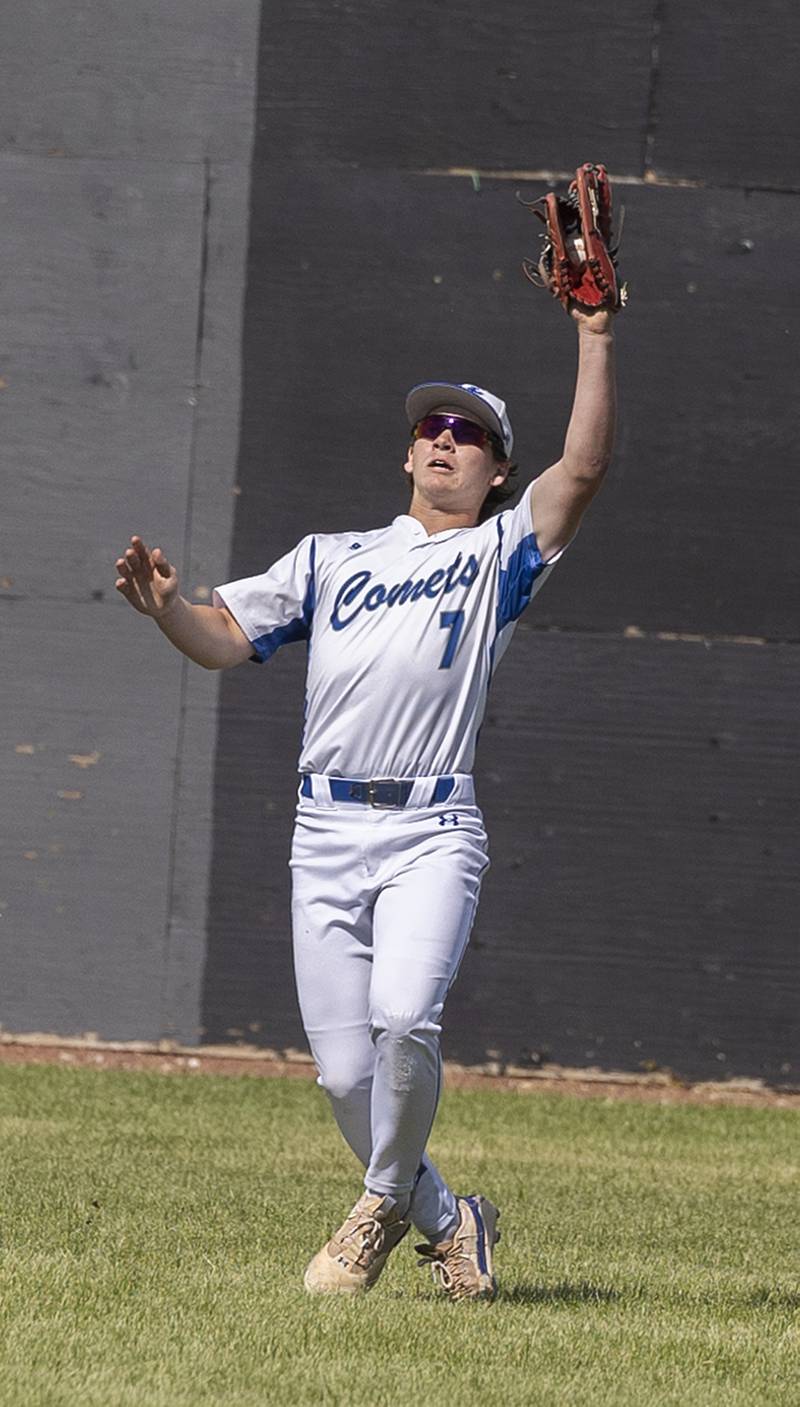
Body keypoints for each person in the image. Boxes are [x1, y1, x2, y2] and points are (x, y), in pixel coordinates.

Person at [114, 300, 616, 1301]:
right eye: (429, 428)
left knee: (403, 1018)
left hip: (431, 827)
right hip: (324, 828)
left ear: (496, 470)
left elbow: (585, 470)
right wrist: (169, 609)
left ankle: (374, 1206)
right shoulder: (329, 557)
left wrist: (594, 334)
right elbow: (225, 635)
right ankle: (446, 1219)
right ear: (406, 458)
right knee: (343, 1078)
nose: (442, 440)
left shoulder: (495, 559)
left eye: (467, 433)